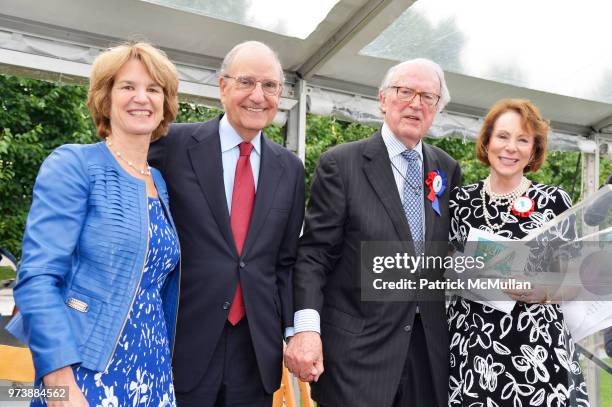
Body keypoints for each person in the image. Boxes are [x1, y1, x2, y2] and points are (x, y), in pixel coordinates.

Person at [6, 42, 180, 406]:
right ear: (106, 98)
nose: (141, 98)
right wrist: (58, 381)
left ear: (165, 103)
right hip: (86, 370)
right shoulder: (74, 164)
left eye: (153, 89)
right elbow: (37, 279)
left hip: (153, 370)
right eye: (128, 87)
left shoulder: (159, 182)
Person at [285, 58, 462, 407]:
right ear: (383, 99)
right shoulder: (341, 164)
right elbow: (314, 256)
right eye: (405, 91)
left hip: (428, 357)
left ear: (437, 110)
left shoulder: (447, 169)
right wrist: (306, 328)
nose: (416, 103)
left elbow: (453, 254)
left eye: (428, 97)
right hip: (357, 358)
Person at [148, 41, 305, 406]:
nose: (258, 95)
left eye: (269, 86)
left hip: (255, 353)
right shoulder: (172, 144)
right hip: (182, 342)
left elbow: (285, 261)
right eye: (246, 82)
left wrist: (295, 332)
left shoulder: (291, 169)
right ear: (222, 87)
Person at [447, 99, 590, 406]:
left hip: (536, 348)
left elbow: (577, 280)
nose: (510, 148)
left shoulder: (553, 201)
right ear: (487, 142)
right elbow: (443, 265)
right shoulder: (459, 202)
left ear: (533, 150)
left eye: (522, 140)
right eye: (502, 137)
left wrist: (542, 291)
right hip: (473, 347)